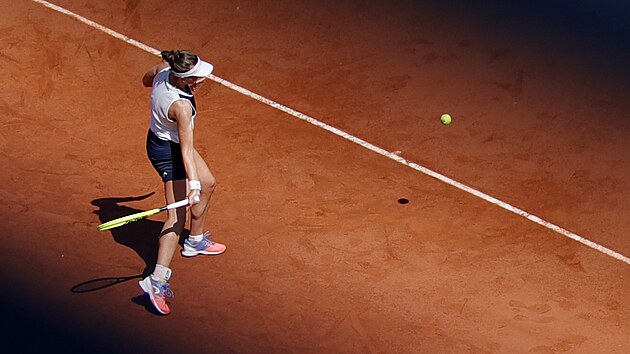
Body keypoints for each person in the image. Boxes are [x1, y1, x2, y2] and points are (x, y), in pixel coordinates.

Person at [138, 50, 226, 315]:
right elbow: (186, 151)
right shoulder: (182, 107)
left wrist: (200, 184)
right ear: (189, 81)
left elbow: (146, 79)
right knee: (176, 218)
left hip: (164, 141)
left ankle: (195, 241)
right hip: (169, 153)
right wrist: (192, 186)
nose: (204, 79)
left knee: (209, 182)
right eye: (200, 77)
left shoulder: (164, 70)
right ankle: (156, 281)